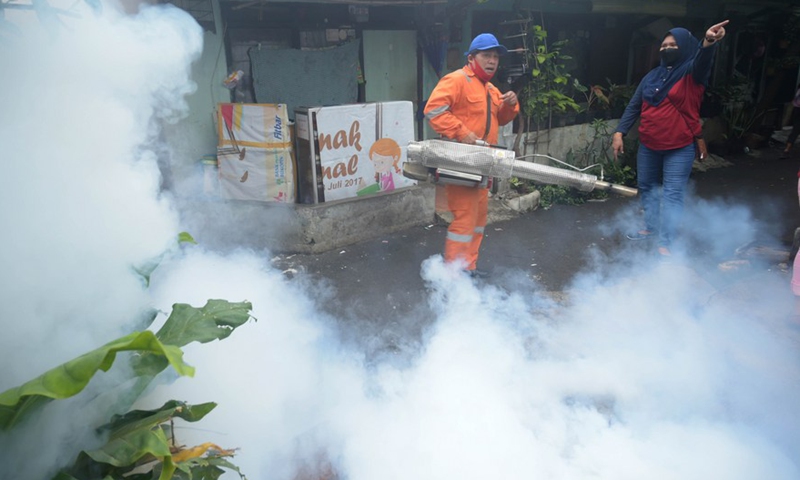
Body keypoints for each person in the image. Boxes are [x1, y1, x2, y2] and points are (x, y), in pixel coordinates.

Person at [612, 20, 729, 257]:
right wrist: (619, 132)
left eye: (673, 44)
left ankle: (667, 239)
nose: (667, 48)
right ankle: (651, 227)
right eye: (664, 45)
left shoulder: (691, 73)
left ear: (685, 47)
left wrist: (708, 41)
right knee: (647, 187)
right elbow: (635, 106)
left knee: (672, 194)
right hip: (649, 145)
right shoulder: (652, 76)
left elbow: (703, 60)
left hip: (679, 147)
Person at [424, 33, 520, 277]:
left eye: (495, 57)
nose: (492, 61)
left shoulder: (490, 88)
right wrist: (462, 132)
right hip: (461, 160)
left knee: (478, 220)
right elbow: (433, 111)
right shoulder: (456, 80)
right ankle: (453, 274)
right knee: (465, 219)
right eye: (486, 55)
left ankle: (469, 267)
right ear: (471, 58)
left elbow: (504, 118)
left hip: (484, 163)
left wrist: (510, 104)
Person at [780, 83, 800, 159]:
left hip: (797, 110)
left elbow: (794, 101)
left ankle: (787, 149)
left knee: (795, 131)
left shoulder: (798, 90)